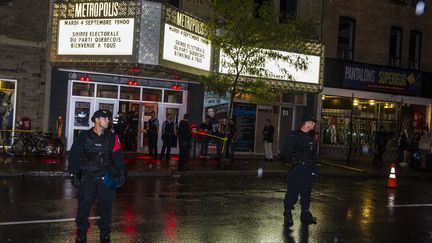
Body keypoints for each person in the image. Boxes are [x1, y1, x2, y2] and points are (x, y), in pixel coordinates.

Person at [68, 109, 125, 242]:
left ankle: (105, 232)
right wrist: (73, 173)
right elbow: (74, 155)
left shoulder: (112, 137)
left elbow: (119, 157)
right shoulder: (84, 136)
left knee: (106, 206)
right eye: (105, 118)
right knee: (84, 206)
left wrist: (121, 173)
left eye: (108, 119)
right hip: (88, 177)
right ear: (97, 120)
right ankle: (81, 233)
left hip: (106, 177)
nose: (108, 121)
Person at [280, 116, 318, 227]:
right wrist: (294, 162)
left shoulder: (311, 137)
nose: (314, 125)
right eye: (313, 123)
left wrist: (314, 168)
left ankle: (305, 213)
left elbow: (312, 155)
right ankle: (287, 214)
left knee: (306, 192)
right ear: (307, 123)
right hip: (297, 170)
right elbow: (285, 152)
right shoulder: (293, 135)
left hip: (308, 170)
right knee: (293, 192)